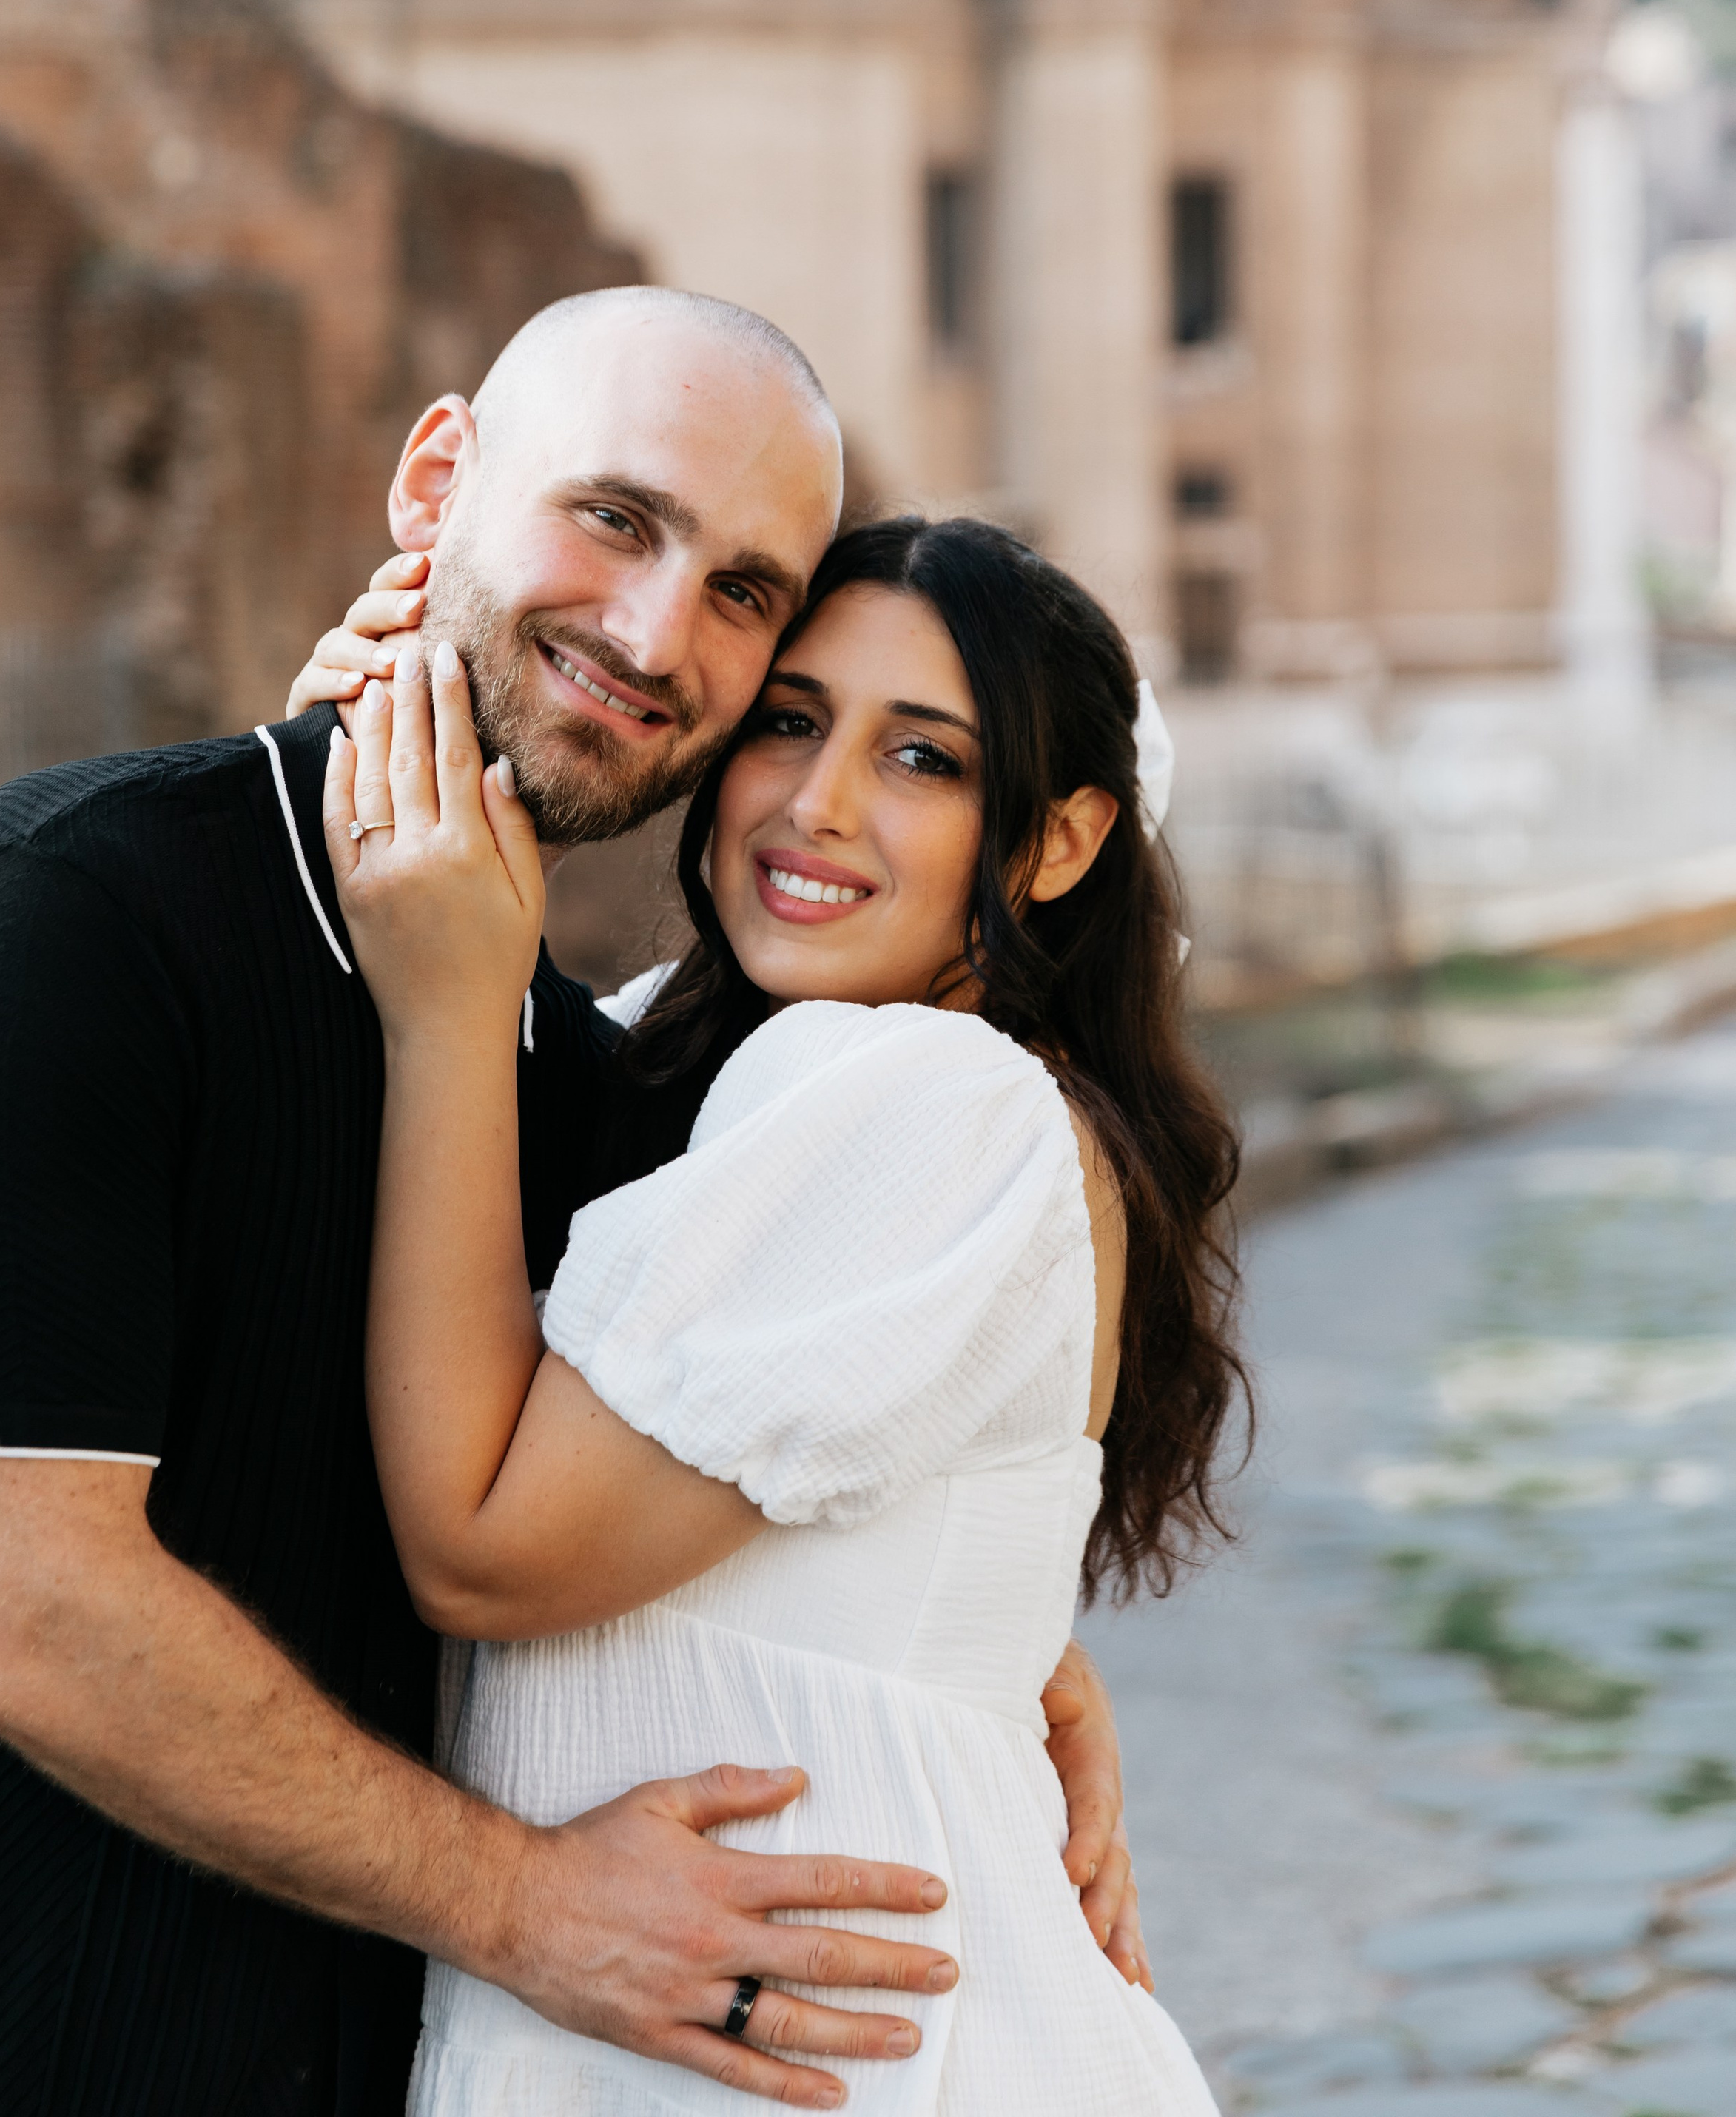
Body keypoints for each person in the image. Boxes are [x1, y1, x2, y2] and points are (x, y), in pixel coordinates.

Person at [0, 289, 1132, 2117]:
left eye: (742, 595)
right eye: (612, 518)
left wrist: (1006, 1649)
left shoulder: (573, 1074)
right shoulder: (57, 925)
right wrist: (529, 1907)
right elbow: (19, 1617)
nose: (653, 631)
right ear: (435, 481)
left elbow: (711, 1456)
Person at [323, 510, 1245, 2111]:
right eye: (791, 725)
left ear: (1058, 840)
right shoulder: (738, 1088)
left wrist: (452, 1011)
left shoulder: (920, 1095)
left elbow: (486, 1547)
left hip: (823, 2057)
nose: (814, 806)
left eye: (923, 761)